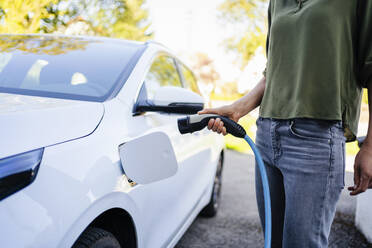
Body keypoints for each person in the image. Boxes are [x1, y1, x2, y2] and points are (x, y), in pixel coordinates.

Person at [198, 1, 372, 247]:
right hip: (267, 134)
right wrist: (238, 108)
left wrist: (370, 148)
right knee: (273, 240)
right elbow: (274, 71)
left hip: (316, 138)